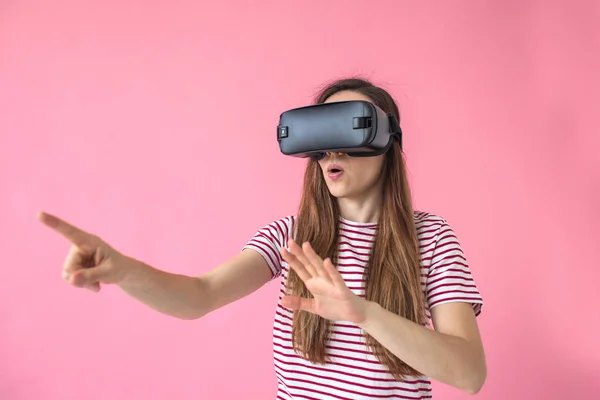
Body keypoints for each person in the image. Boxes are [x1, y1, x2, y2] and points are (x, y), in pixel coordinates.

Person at [38, 77, 486, 399]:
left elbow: (469, 374)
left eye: (347, 129)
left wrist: (364, 313)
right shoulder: (291, 237)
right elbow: (200, 295)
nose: (330, 151)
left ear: (387, 141)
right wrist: (124, 270)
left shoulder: (431, 239)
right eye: (320, 134)